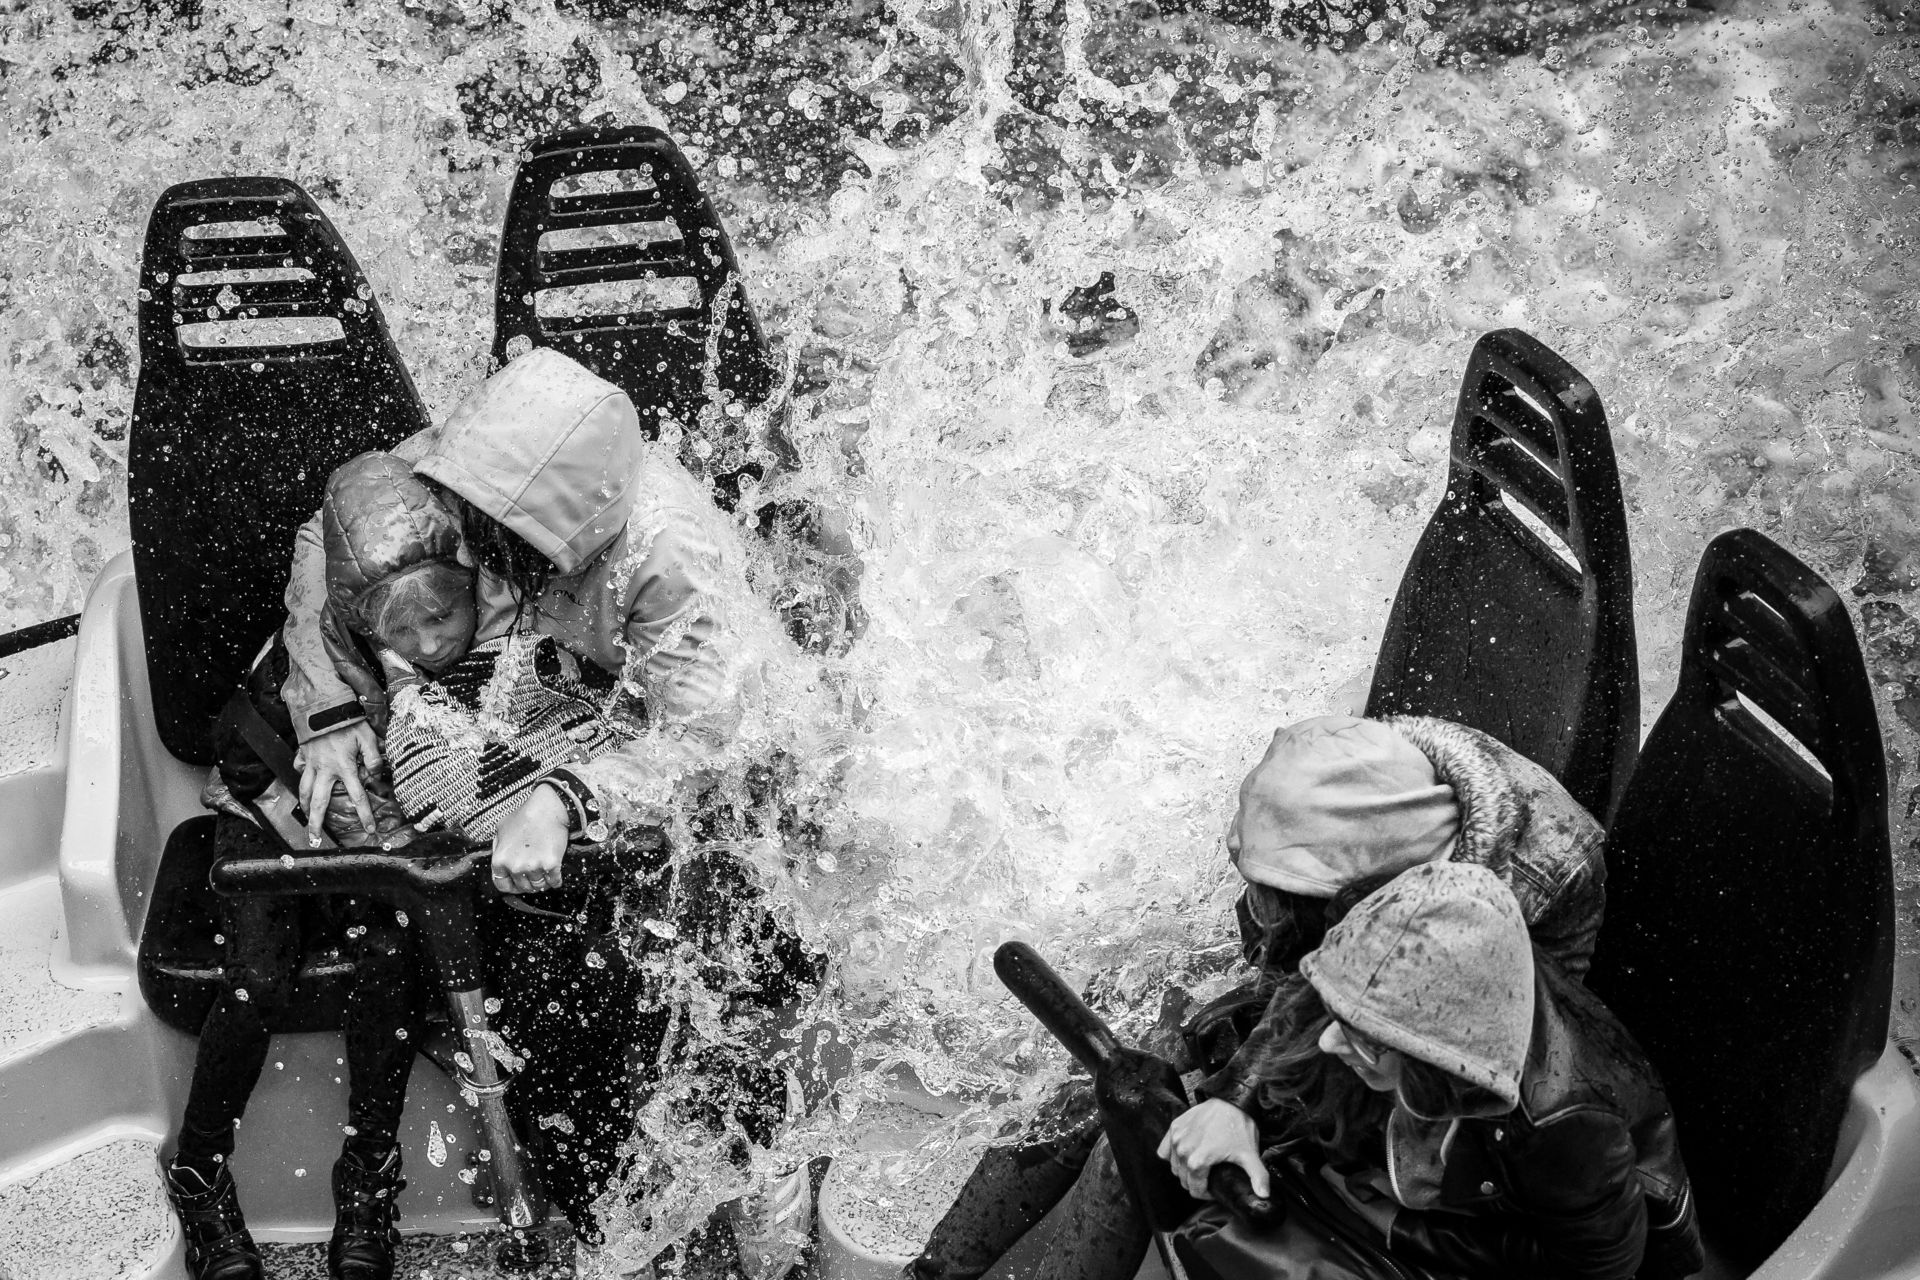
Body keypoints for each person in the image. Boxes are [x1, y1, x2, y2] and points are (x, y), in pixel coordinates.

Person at [279, 349, 815, 1269]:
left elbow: (712, 744)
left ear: (569, 540)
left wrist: (567, 799)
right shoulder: (477, 462)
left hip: (694, 778)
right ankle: (608, 1220)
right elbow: (322, 538)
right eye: (469, 524)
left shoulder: (668, 556)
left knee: (691, 960)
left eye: (494, 540)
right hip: (548, 736)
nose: (468, 550)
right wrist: (326, 710)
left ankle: (763, 1166)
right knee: (542, 995)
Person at [907, 713, 1610, 1280]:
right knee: (1121, 1056)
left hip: (1419, 1059)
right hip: (1355, 985)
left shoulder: (1508, 900)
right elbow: (1291, 959)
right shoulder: (1364, 780)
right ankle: (935, 1271)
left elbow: (1378, 1027)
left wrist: (1232, 1103)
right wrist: (1225, 1081)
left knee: (1147, 1144)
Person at [162, 453, 461, 1280]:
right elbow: (309, 788)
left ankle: (367, 1176)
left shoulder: (466, 643)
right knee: (258, 976)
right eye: (404, 631)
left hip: (367, 828)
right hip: (267, 812)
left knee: (392, 958)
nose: (429, 644)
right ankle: (198, 1172)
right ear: (363, 615)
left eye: (443, 620)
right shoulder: (319, 647)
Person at [1162, 860, 1703, 1280]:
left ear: (1433, 1061)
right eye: (1341, 1018)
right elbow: (1319, 986)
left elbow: (1595, 1268)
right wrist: (1235, 1100)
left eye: (1362, 1039)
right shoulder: (1405, 924)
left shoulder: (1563, 1125)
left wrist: (1397, 1227)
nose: (1328, 1040)